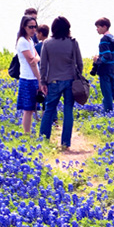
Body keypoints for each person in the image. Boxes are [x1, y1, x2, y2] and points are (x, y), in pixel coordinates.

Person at [39, 16, 82, 149]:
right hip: (70, 80)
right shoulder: (73, 42)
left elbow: (43, 66)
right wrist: (78, 76)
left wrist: (43, 82)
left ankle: (44, 141)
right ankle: (65, 143)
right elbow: (79, 63)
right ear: (67, 28)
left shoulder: (47, 43)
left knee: (49, 109)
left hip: (53, 81)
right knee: (68, 110)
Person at [15, 15, 42, 135]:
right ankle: (26, 133)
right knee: (28, 109)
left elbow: (37, 57)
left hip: (32, 78)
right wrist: (39, 79)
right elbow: (32, 62)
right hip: (27, 78)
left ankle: (28, 132)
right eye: (30, 27)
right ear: (24, 27)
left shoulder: (30, 40)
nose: (33, 29)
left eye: (35, 27)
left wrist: (35, 59)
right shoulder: (22, 41)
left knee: (31, 108)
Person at [93, 17, 114, 112]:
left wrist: (97, 60)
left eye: (98, 27)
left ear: (104, 27)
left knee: (107, 94)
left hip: (105, 70)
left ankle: (108, 114)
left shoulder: (104, 39)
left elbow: (106, 56)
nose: (97, 29)